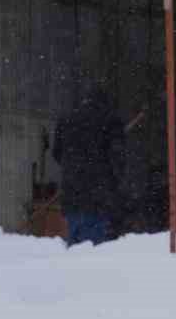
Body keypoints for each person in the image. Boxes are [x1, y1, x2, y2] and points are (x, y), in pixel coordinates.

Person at [53, 85, 126, 245]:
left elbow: (57, 154)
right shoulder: (111, 120)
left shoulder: (65, 119)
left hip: (72, 194)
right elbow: (118, 158)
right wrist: (118, 183)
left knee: (75, 246)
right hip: (99, 197)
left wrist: (74, 168)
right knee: (95, 251)